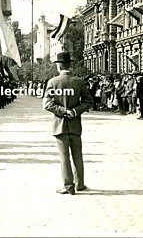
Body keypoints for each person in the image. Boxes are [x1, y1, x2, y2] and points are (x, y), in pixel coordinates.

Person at [43, 51, 93, 195]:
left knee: (64, 157)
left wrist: (63, 111)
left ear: (58, 66)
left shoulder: (53, 82)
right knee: (78, 155)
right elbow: (88, 101)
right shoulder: (78, 82)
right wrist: (75, 111)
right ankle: (80, 184)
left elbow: (47, 104)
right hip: (75, 124)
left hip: (60, 125)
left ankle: (68, 186)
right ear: (70, 64)